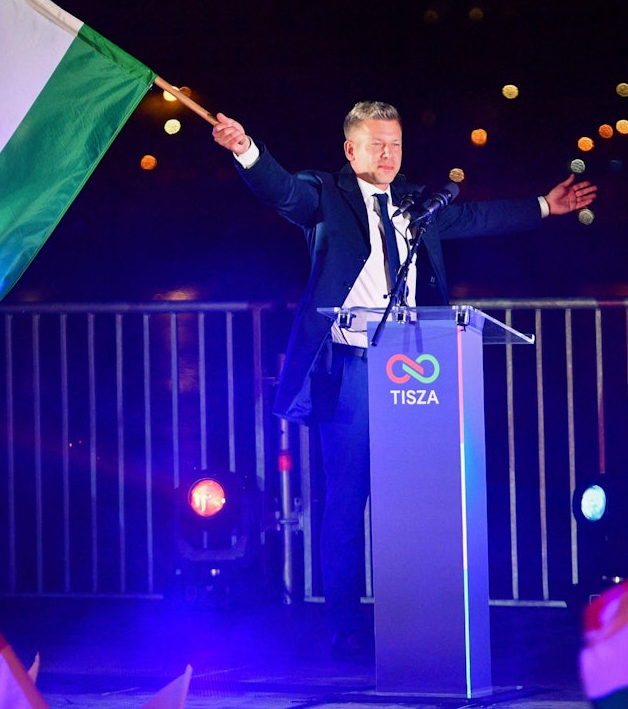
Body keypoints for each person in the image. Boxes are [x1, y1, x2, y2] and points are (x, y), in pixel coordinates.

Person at [212, 101, 597, 658]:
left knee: (419, 497)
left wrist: (544, 205)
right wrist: (246, 150)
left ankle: (419, 617)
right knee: (347, 498)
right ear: (351, 149)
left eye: (395, 143)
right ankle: (344, 626)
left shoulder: (418, 204)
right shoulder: (324, 194)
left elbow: (477, 218)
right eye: (376, 144)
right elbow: (282, 192)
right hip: (351, 368)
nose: (388, 154)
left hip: (420, 367)